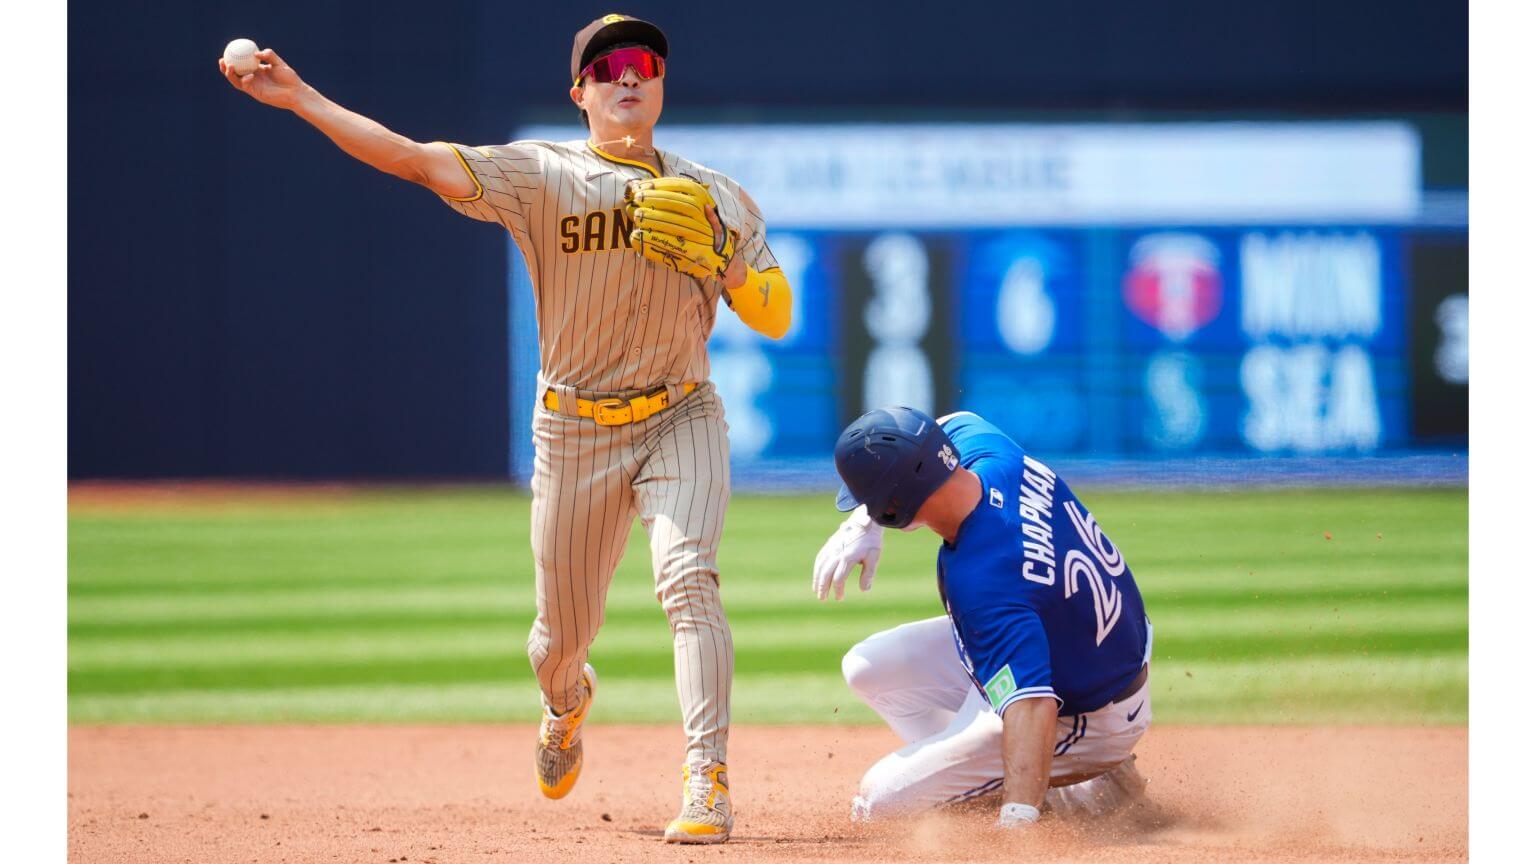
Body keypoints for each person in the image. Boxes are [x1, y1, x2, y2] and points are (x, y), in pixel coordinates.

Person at [219, 12, 795, 844]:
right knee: (557, 643)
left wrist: (726, 260)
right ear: (580, 93)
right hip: (576, 431)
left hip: (682, 413)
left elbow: (775, 313)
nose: (628, 76)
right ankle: (566, 704)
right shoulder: (541, 174)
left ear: (662, 83)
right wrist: (301, 96)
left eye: (642, 62)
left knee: (688, 580)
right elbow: (412, 159)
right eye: (607, 69)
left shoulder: (717, 195)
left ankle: (707, 781)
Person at [811, 408, 1153, 827]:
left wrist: (1018, 821)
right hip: (1068, 649)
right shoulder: (990, 455)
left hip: (1087, 717)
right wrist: (863, 523)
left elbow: (1033, 705)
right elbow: (950, 421)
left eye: (871, 503)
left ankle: (1087, 792)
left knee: (880, 805)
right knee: (866, 668)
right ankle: (975, 768)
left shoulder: (984, 578)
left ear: (894, 507)